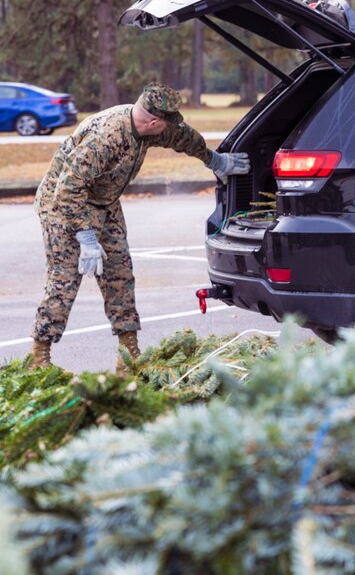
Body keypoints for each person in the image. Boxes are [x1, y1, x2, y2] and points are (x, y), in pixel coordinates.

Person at [29, 83, 250, 370]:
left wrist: (214, 160)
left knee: (120, 273)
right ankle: (39, 356)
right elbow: (67, 189)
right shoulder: (106, 137)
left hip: (104, 203)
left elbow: (182, 136)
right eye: (166, 124)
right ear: (154, 121)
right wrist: (85, 237)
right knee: (65, 279)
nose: (168, 129)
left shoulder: (149, 125)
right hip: (63, 206)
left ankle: (129, 354)